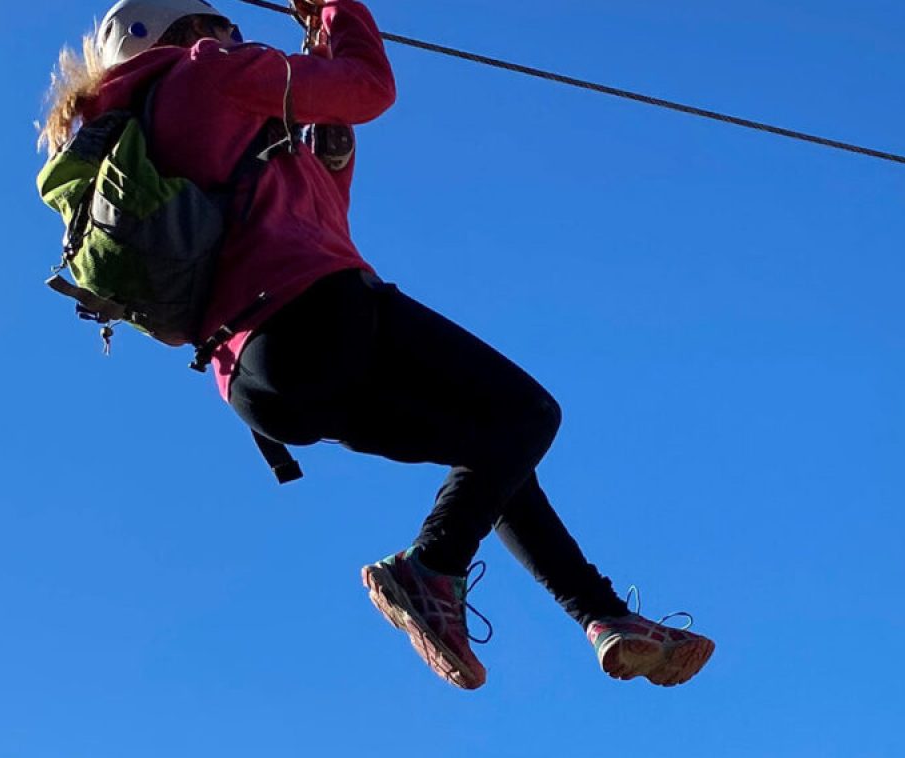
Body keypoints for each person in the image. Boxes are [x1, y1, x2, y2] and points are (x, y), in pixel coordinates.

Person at [37, 0, 714, 690]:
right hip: (317, 311)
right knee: (529, 414)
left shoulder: (156, 130)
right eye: (229, 28)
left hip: (262, 384)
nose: (238, 39)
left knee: (495, 447)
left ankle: (601, 616)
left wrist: (319, 58)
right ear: (193, 30)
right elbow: (370, 89)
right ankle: (430, 571)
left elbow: (322, 198)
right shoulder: (209, 71)